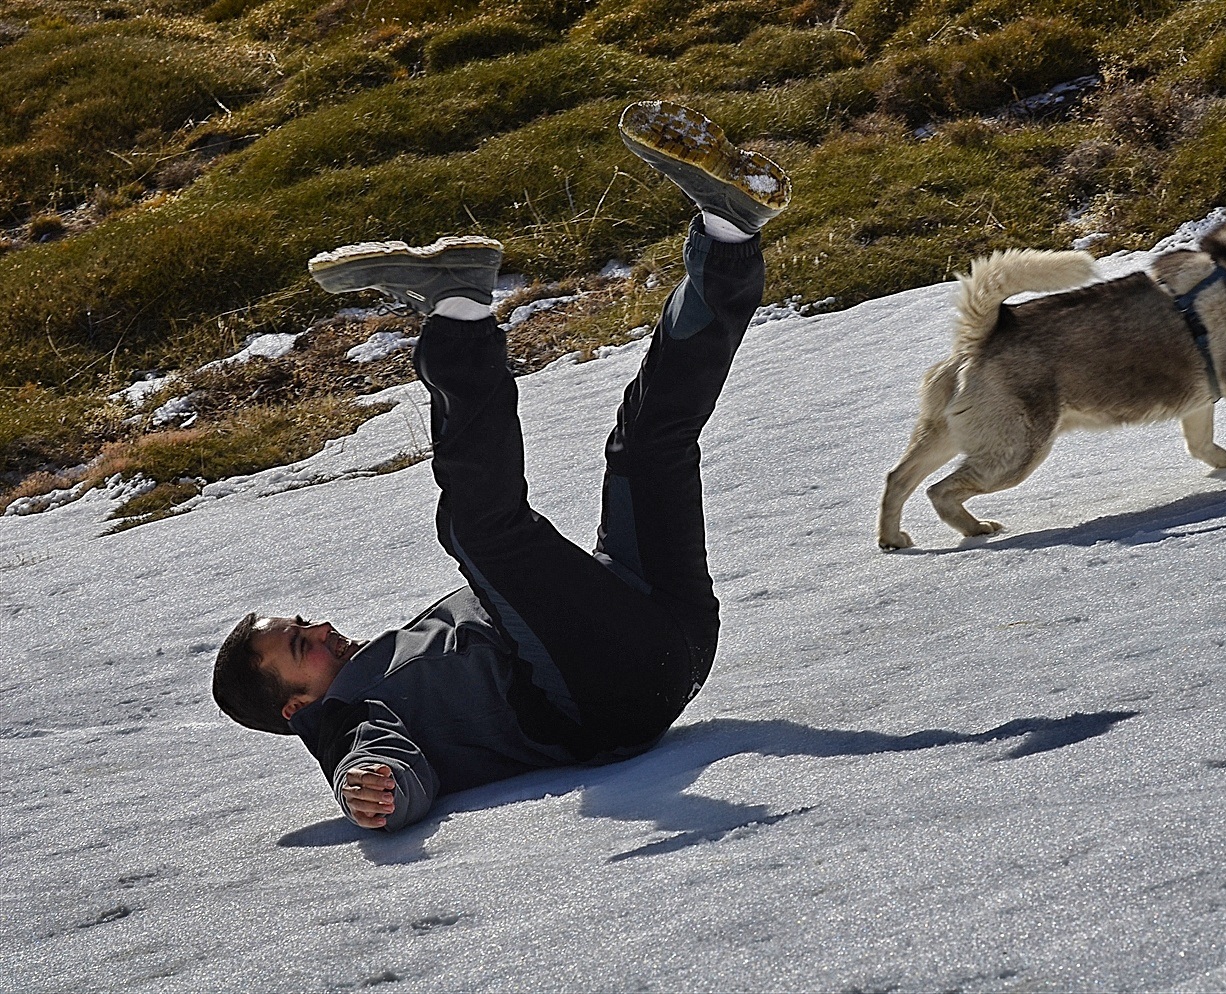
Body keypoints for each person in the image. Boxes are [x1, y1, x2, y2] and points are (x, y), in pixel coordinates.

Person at [211, 101, 791, 831]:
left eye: (305, 623)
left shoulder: (386, 664)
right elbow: (381, 762)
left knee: (648, 444)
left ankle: (728, 234)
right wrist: (369, 783)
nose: (323, 628)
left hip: (658, 627)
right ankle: (457, 311)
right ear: (298, 706)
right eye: (301, 645)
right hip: (611, 695)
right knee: (479, 529)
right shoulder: (351, 717)